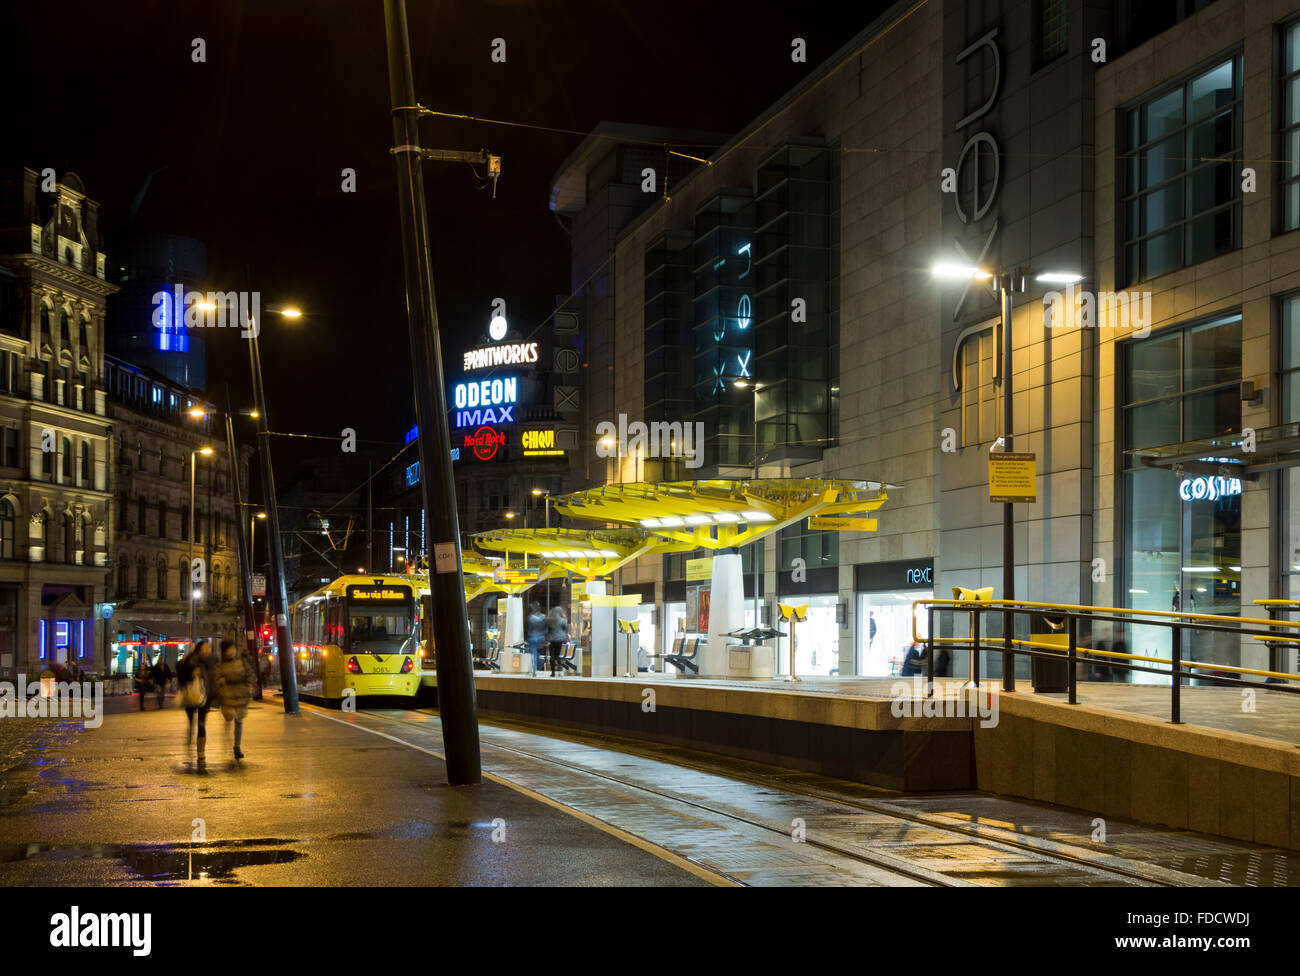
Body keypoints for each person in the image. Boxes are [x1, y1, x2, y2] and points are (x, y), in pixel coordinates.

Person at [177, 640, 217, 763]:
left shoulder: (211, 662)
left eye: (208, 648)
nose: (207, 650)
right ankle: (189, 739)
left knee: (201, 724)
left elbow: (212, 680)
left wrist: (214, 696)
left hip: (205, 698)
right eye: (204, 648)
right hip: (190, 697)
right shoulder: (190, 661)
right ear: (199, 649)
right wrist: (191, 674)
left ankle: (201, 751)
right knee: (191, 723)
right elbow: (181, 678)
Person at [216, 639, 254, 761]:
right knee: (229, 716)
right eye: (229, 649)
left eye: (233, 649)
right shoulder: (220, 665)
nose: (231, 651)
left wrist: (249, 686)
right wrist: (220, 682)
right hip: (227, 696)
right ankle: (226, 739)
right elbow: (216, 678)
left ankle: (237, 746)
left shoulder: (242, 662)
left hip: (241, 695)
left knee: (239, 721)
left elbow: (250, 676)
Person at [544, 606, 570, 677]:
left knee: (552, 655)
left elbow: (546, 630)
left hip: (551, 640)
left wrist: (546, 639)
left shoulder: (549, 620)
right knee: (557, 655)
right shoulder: (563, 620)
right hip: (560, 639)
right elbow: (566, 628)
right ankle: (559, 668)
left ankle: (553, 672)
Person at [526, 601, 547, 671]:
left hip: (533, 638)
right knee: (540, 655)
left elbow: (529, 629)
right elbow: (546, 629)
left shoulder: (530, 617)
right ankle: (539, 667)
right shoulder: (544, 617)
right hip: (541, 638)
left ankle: (534, 669)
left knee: (533, 654)